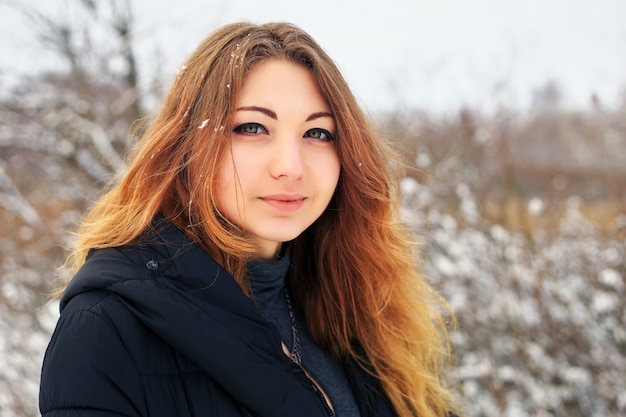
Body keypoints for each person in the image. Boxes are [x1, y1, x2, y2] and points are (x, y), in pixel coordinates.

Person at [39, 21, 460, 417]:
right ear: (187, 144)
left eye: (317, 133)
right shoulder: (105, 331)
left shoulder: (353, 306)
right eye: (253, 128)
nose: (291, 166)